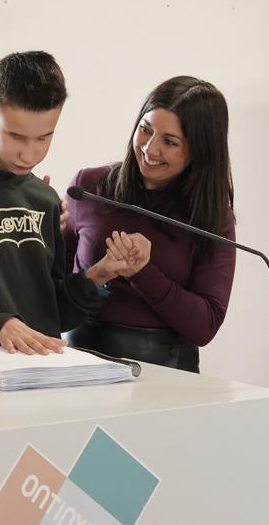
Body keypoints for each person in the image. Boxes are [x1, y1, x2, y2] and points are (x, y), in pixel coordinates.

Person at [0, 50, 143, 363]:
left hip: (40, 383)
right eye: (16, 137)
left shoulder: (42, 198)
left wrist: (98, 275)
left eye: (44, 138)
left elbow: (54, 315)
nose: (29, 154)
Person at [64, 76, 235, 373]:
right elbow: (52, 295)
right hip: (81, 365)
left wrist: (143, 273)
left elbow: (206, 326)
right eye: (145, 130)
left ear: (201, 150)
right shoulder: (88, 187)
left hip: (168, 375)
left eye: (169, 142)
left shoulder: (212, 216)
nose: (149, 149)